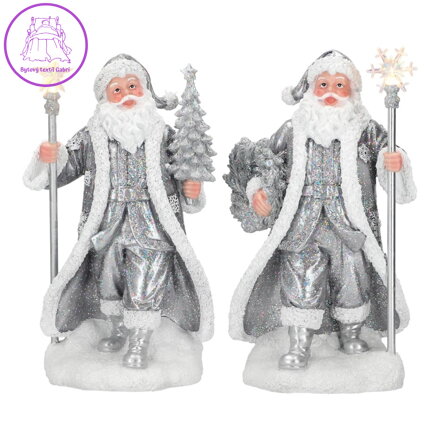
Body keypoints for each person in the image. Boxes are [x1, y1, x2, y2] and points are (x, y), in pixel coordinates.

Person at [227, 50, 416, 370]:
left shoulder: (367, 130)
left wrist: (395, 163)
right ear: (311, 90)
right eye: (323, 84)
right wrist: (257, 188)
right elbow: (264, 161)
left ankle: (351, 333)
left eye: (339, 85)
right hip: (303, 223)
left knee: (352, 278)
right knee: (301, 279)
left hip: (349, 225)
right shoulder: (293, 129)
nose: (330, 92)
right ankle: (300, 342)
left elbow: (390, 164)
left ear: (352, 91)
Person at [24, 54, 213, 369]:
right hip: (106, 224)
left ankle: (140, 339)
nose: (127, 95)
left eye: (132, 86)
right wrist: (48, 158)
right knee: (107, 280)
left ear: (145, 91)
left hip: (153, 224)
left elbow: (185, 168)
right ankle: (117, 327)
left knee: (147, 279)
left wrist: (192, 190)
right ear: (104, 98)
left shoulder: (165, 136)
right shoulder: (91, 136)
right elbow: (61, 173)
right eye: (117, 90)